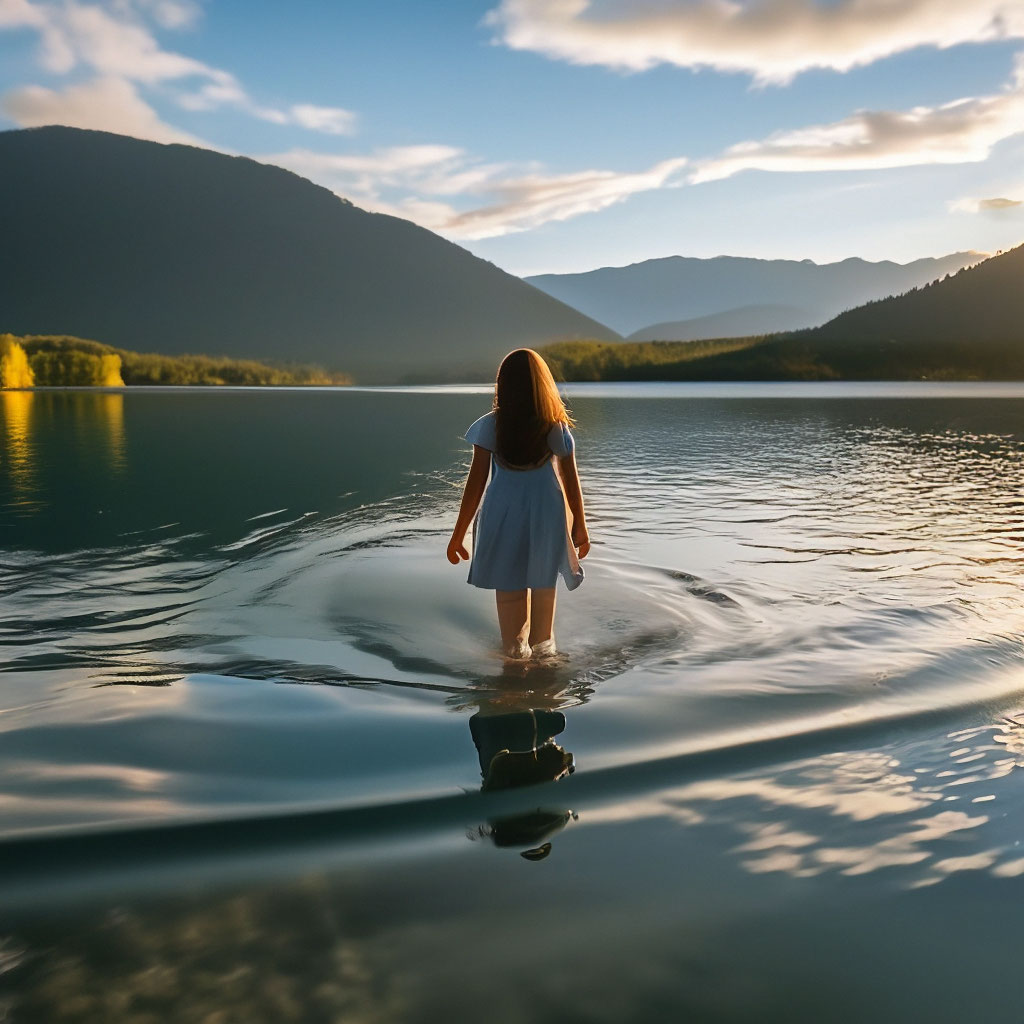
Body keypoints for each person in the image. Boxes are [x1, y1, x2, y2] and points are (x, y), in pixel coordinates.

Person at [447, 348, 590, 661]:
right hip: (546, 521)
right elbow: (570, 480)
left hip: (503, 519)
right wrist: (580, 524)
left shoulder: (489, 427)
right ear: (543, 386)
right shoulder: (555, 428)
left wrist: (458, 535)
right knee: (544, 627)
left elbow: (474, 486)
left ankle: (513, 678)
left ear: (502, 387)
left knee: (512, 628)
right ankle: (546, 683)